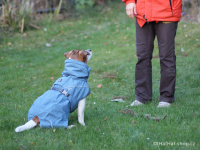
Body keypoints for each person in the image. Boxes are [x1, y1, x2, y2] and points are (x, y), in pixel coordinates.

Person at [122, 0, 182, 107]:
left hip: (167, 11)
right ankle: (142, 97)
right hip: (143, 12)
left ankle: (166, 97)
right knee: (142, 56)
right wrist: (130, 1)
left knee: (166, 56)